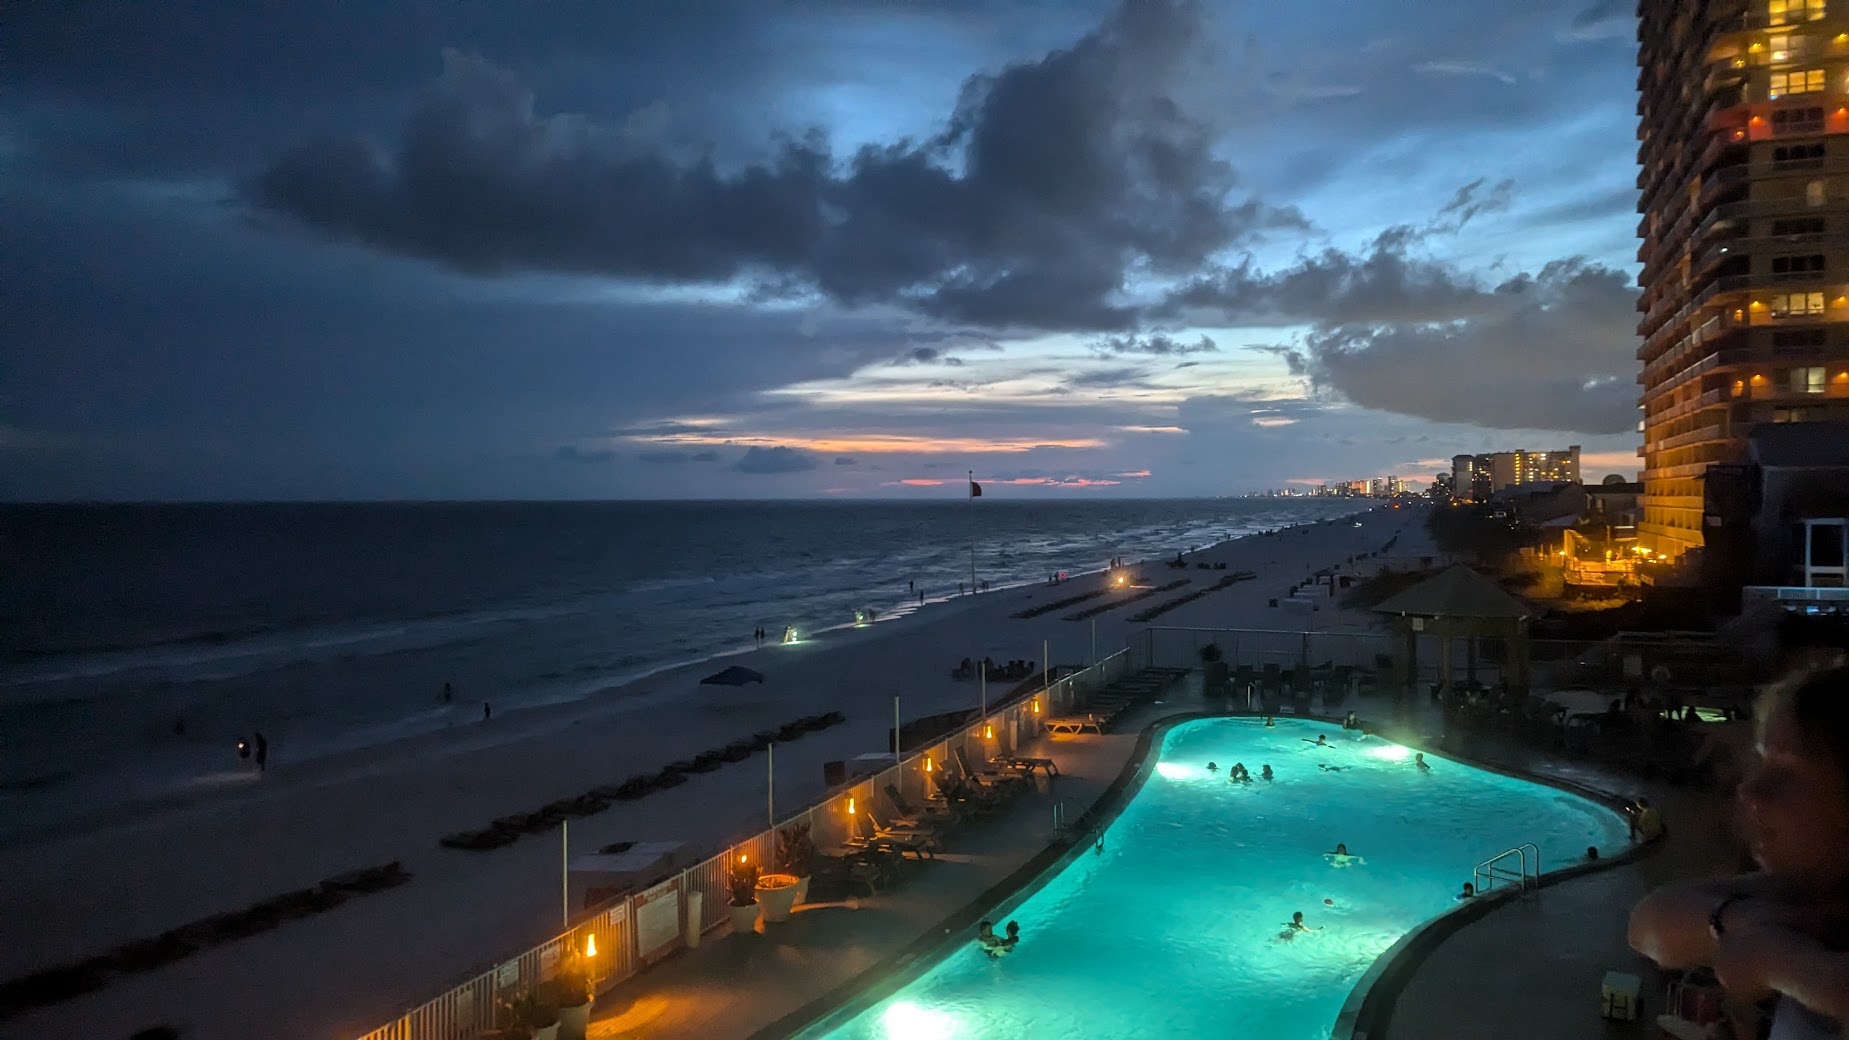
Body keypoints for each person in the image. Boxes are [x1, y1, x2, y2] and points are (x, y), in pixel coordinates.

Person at [1628, 663, 1849, 1040]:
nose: (1749, 791)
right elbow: (1650, 923)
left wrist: (1788, 965)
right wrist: (1741, 921)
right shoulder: (1815, 892)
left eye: (1787, 770)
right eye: (1761, 762)